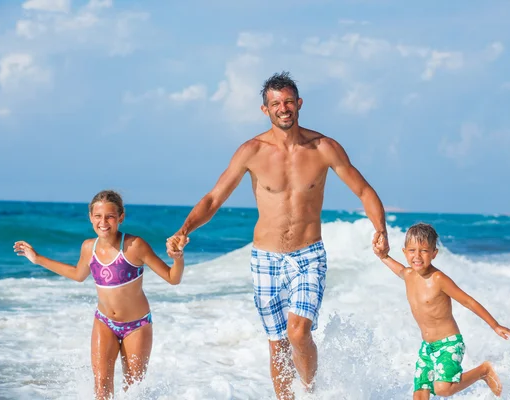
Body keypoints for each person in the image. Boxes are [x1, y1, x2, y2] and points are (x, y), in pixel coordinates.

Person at [167, 71, 390, 399]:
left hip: (308, 254)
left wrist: (380, 229)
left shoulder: (324, 147)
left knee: (298, 332)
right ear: (265, 109)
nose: (283, 108)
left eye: (288, 102)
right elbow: (214, 198)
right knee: (277, 343)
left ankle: (311, 390)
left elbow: (364, 190)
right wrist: (184, 230)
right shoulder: (251, 151)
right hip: (265, 258)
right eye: (275, 104)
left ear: (299, 104)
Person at [13, 190, 184, 400]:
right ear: (90, 217)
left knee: (133, 390)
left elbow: (172, 278)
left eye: (110, 216)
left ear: (121, 217)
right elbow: (77, 274)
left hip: (137, 326)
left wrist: (178, 259)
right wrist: (37, 258)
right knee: (101, 388)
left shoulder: (134, 246)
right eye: (98, 216)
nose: (103, 222)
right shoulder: (88, 247)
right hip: (104, 322)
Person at [379, 222, 510, 399]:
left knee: (443, 389)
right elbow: (396, 267)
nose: (417, 256)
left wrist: (495, 325)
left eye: (424, 251)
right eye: (412, 250)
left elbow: (468, 301)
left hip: (449, 344)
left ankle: (483, 371)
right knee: (420, 394)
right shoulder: (408, 275)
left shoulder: (438, 279)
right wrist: (382, 256)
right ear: (405, 252)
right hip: (427, 347)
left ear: (434, 253)